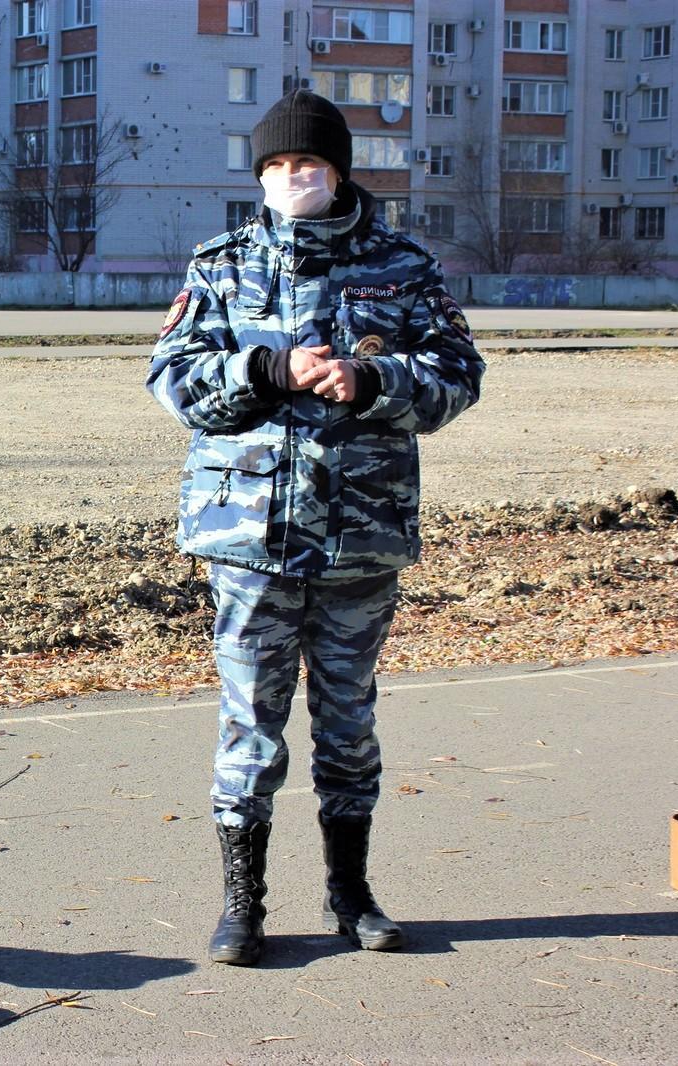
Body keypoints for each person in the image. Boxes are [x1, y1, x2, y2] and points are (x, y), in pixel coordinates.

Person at [146, 90, 485, 966]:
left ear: (339, 172)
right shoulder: (220, 263)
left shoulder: (402, 266)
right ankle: (243, 903)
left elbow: (457, 375)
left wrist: (376, 385)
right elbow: (172, 382)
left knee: (348, 724)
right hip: (246, 538)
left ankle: (351, 894)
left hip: (359, 533)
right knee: (248, 726)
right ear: (259, 176)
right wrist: (267, 368)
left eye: (308, 165)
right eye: (277, 168)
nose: (292, 179)